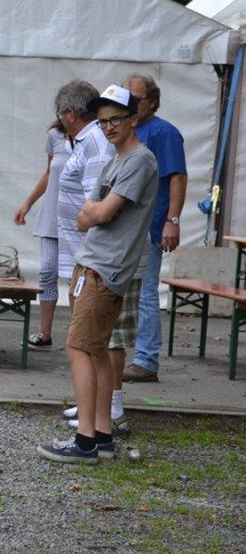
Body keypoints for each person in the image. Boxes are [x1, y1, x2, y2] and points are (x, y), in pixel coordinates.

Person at [39, 85, 158, 464]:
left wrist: (94, 210)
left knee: (79, 348)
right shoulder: (114, 160)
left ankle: (85, 440)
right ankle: (102, 433)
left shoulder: (140, 160)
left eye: (116, 120)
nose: (108, 128)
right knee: (101, 349)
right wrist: (93, 210)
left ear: (134, 119)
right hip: (93, 263)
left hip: (105, 268)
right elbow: (84, 214)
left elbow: (101, 214)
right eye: (103, 121)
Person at [121, 74, 187, 384]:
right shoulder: (127, 129)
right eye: (127, 97)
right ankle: (128, 354)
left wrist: (172, 221)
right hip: (127, 226)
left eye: (137, 98)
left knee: (147, 293)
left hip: (151, 227)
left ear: (153, 102)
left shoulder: (164, 132)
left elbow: (177, 177)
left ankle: (146, 359)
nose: (131, 103)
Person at [54, 81, 115, 303]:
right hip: (81, 259)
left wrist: (82, 221)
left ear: (70, 114)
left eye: (60, 114)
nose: (59, 120)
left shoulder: (95, 142)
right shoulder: (87, 140)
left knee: (85, 331)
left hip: (92, 262)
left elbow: (97, 203)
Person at [14, 119, 72, 349]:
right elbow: (49, 173)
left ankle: (79, 338)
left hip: (77, 220)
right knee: (47, 270)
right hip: (52, 217)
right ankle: (45, 333)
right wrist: (27, 203)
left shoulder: (94, 136)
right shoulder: (55, 136)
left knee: (76, 277)